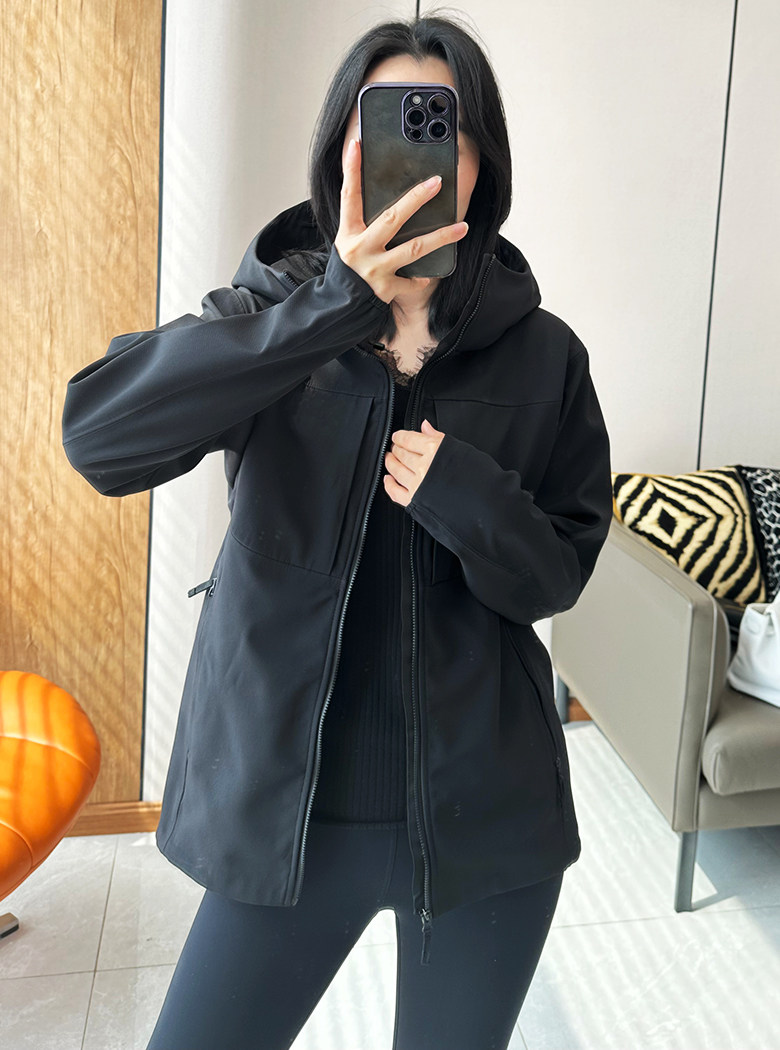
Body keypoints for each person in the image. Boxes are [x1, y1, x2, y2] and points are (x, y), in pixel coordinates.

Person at [62, 13, 613, 1050]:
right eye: (384, 124)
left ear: (482, 163)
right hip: (289, 819)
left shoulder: (546, 355)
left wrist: (467, 495)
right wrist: (330, 310)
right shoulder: (269, 314)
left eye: (444, 128)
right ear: (339, 152)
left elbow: (555, 579)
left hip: (485, 826)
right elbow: (100, 440)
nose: (416, 156)